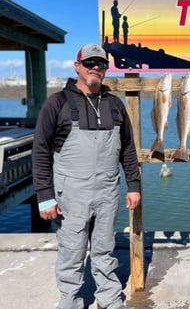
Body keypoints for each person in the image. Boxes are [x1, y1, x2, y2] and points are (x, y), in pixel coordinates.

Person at [32, 44, 141, 309]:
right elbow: (40, 150)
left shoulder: (115, 105)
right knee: (72, 251)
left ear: (106, 69)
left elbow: (128, 148)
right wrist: (45, 197)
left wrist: (134, 185)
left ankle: (110, 298)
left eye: (101, 64)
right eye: (90, 63)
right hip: (71, 193)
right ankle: (70, 300)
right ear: (77, 66)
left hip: (108, 190)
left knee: (104, 249)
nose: (95, 68)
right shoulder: (57, 103)